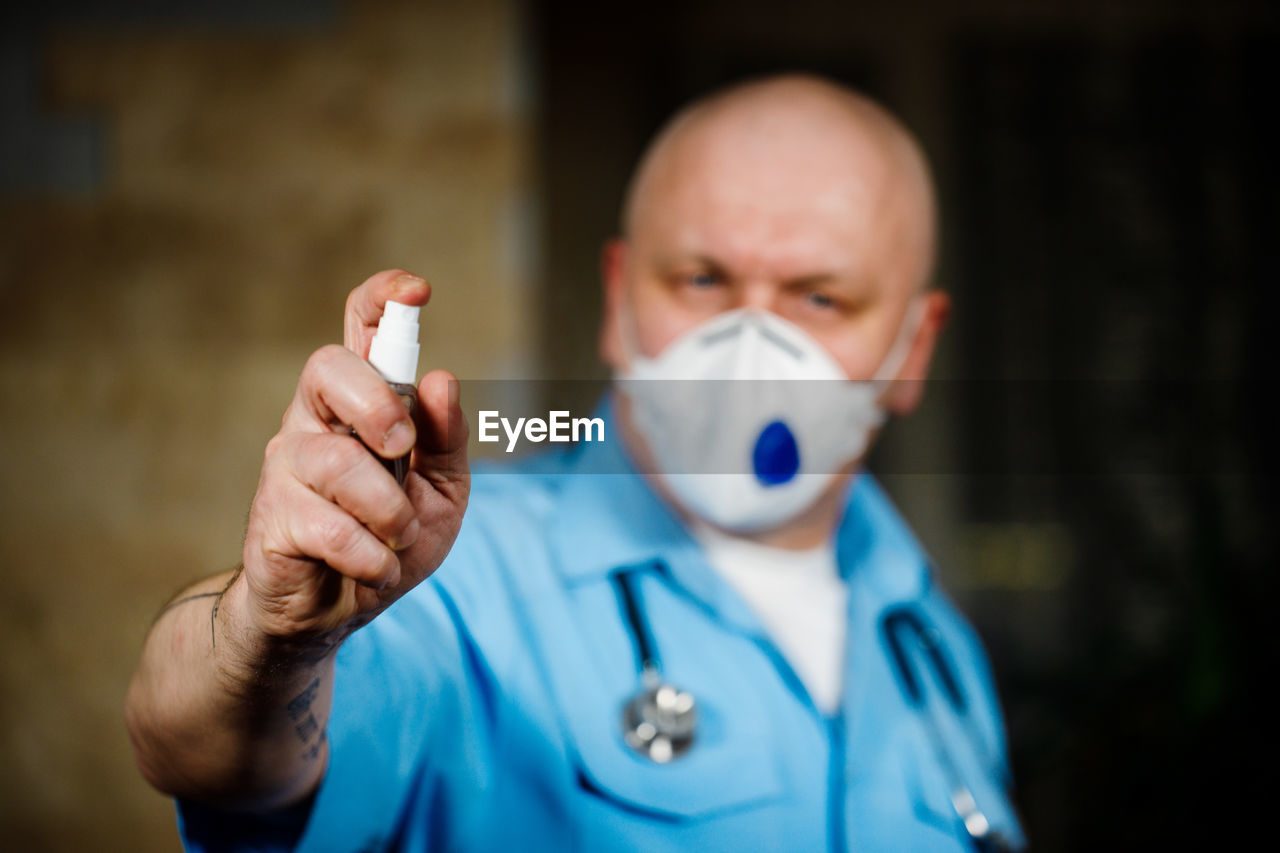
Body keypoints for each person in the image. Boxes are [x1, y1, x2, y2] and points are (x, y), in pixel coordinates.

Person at [126, 73, 1026, 851]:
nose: (750, 346)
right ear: (617, 297)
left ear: (914, 346)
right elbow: (205, 750)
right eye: (702, 280)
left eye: (820, 296)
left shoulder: (930, 641)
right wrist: (269, 631)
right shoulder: (450, 576)